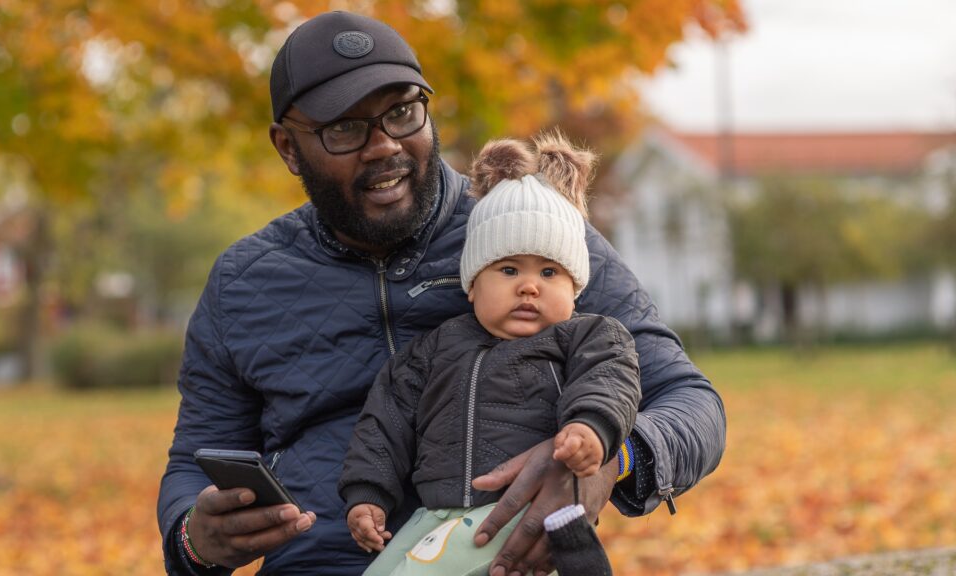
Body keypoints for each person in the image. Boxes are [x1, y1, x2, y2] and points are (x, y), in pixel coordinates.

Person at [157, 10, 726, 576]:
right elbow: (195, 460)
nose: (383, 146)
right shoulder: (244, 281)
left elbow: (693, 404)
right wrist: (195, 537)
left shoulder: (532, 233)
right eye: (345, 128)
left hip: (494, 559)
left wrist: (607, 463)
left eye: (402, 112)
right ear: (287, 148)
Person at [339, 133, 639, 576]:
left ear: (575, 289)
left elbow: (609, 379)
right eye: (508, 269)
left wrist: (589, 428)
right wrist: (367, 494)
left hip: (517, 509)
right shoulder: (434, 349)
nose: (529, 285)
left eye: (550, 271)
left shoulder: (587, 336)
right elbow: (385, 421)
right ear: (473, 284)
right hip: (434, 516)